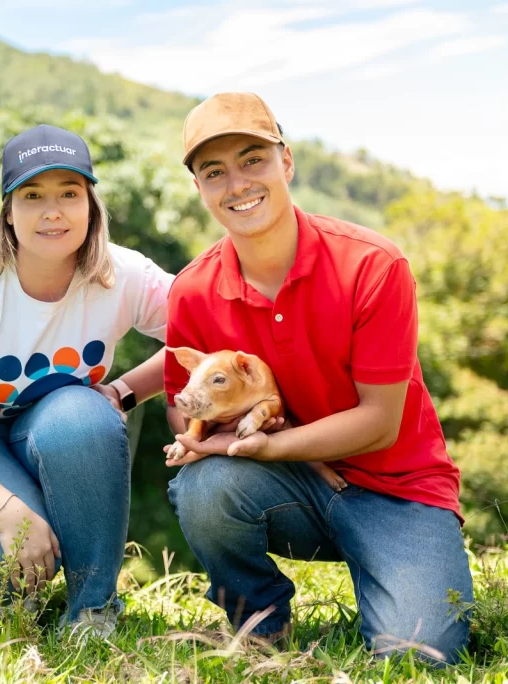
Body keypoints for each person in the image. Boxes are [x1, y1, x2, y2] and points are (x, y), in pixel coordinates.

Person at [163, 93, 474, 665]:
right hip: (289, 492)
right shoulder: (193, 291)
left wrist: (276, 444)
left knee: (419, 655)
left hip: (397, 491)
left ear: (286, 161)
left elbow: (380, 423)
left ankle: (398, 575)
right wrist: (221, 433)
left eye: (252, 159)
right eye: (214, 172)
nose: (237, 184)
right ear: (200, 188)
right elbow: (184, 409)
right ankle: (259, 622)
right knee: (203, 486)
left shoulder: (373, 265)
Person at [0, 124, 173, 638]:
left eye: (69, 193)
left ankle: (92, 610)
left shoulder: (123, 274)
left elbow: (207, 331)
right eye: (32, 195)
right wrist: (10, 514)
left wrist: (122, 390)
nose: (53, 211)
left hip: (59, 428)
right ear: (8, 210)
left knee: (86, 414)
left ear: (90, 205)